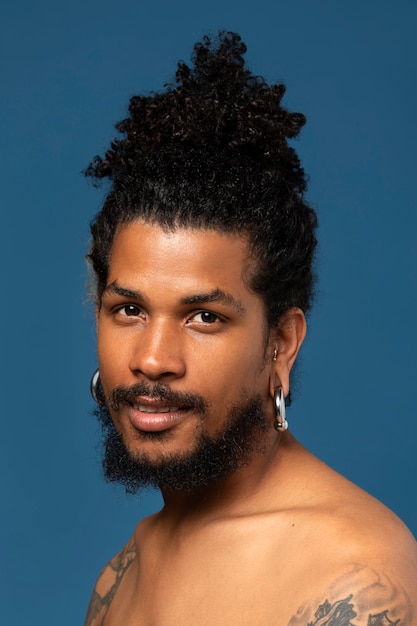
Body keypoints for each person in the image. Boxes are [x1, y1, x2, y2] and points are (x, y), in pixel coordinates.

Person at [83, 31, 417, 625]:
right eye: (129, 310)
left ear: (280, 343)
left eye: (205, 317)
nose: (153, 359)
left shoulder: (356, 583)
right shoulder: (124, 571)